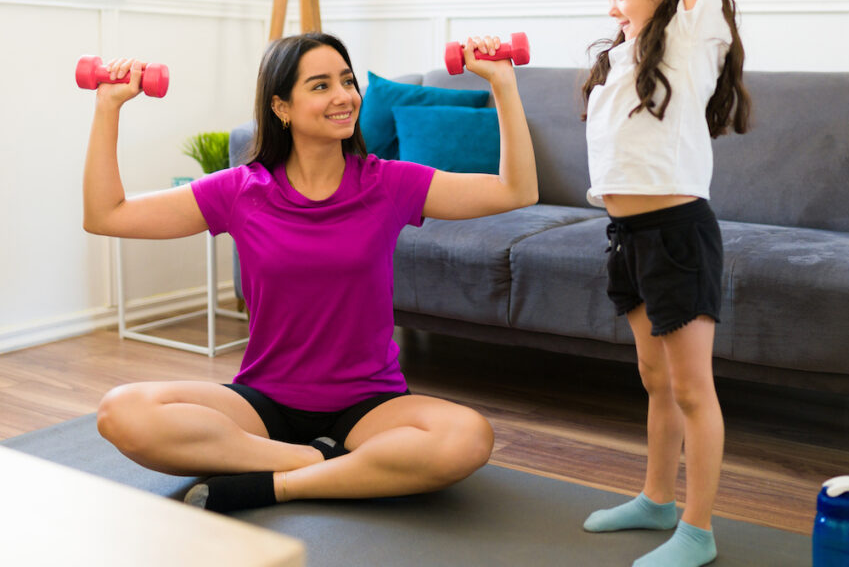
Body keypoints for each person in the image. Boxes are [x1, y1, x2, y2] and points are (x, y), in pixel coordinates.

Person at [84, 31, 538, 514]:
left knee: (466, 438)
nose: (344, 96)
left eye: (347, 81)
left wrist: (503, 83)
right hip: (262, 403)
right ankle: (316, 461)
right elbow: (106, 215)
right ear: (281, 107)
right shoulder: (241, 190)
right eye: (321, 86)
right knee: (121, 410)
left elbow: (516, 190)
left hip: (370, 405)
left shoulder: (388, 182)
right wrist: (108, 106)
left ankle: (278, 486)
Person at [579, 0, 751, 567]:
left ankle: (699, 528)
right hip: (629, 235)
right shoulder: (627, 48)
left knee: (690, 388)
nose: (612, 3)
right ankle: (654, 497)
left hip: (679, 234)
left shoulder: (690, 33)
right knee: (652, 378)